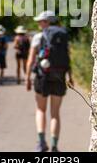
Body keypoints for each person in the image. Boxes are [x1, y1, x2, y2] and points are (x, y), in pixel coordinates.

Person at [25, 11, 74, 152]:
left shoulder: (38, 37)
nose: (39, 24)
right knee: (55, 113)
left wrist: (27, 78)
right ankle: (54, 145)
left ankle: (41, 143)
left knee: (41, 109)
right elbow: (67, 57)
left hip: (42, 77)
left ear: (47, 22)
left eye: (41, 21)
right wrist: (70, 77)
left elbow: (30, 60)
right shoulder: (63, 36)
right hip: (59, 76)